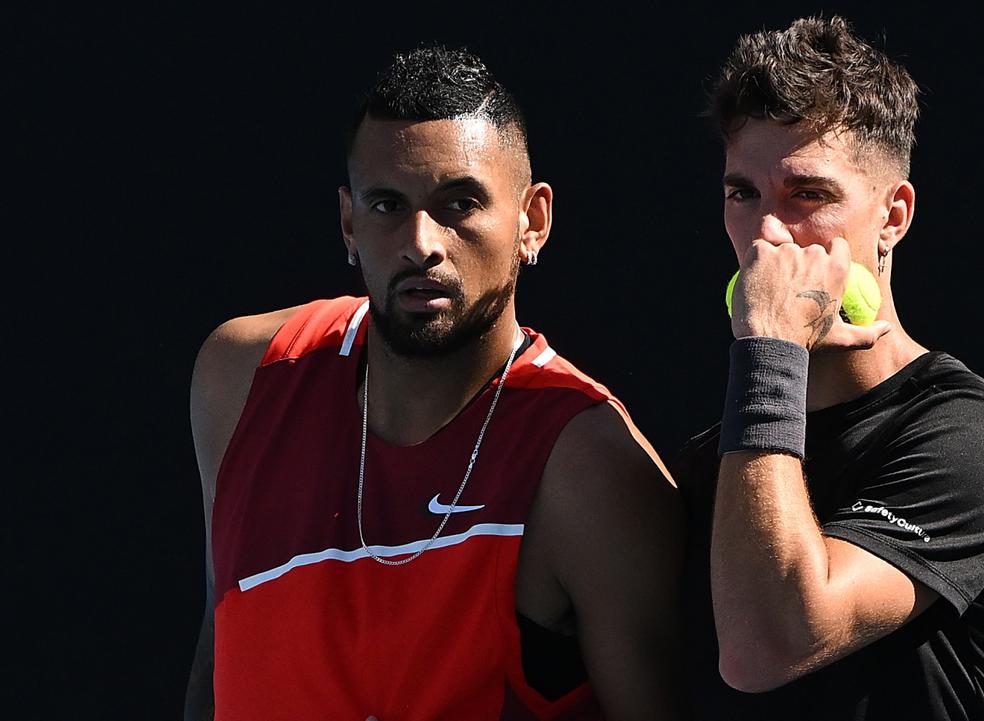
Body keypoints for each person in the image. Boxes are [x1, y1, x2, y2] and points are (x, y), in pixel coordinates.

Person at [185, 45, 685, 721]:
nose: (422, 241)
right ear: (348, 222)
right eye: (388, 204)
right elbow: (217, 664)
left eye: (458, 203)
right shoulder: (242, 374)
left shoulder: (590, 466)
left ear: (532, 220)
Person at [674, 16, 984, 721]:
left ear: (893, 216)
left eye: (808, 195)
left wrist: (770, 350)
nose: (768, 233)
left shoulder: (980, 443)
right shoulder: (717, 464)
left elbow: (767, 644)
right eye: (744, 194)